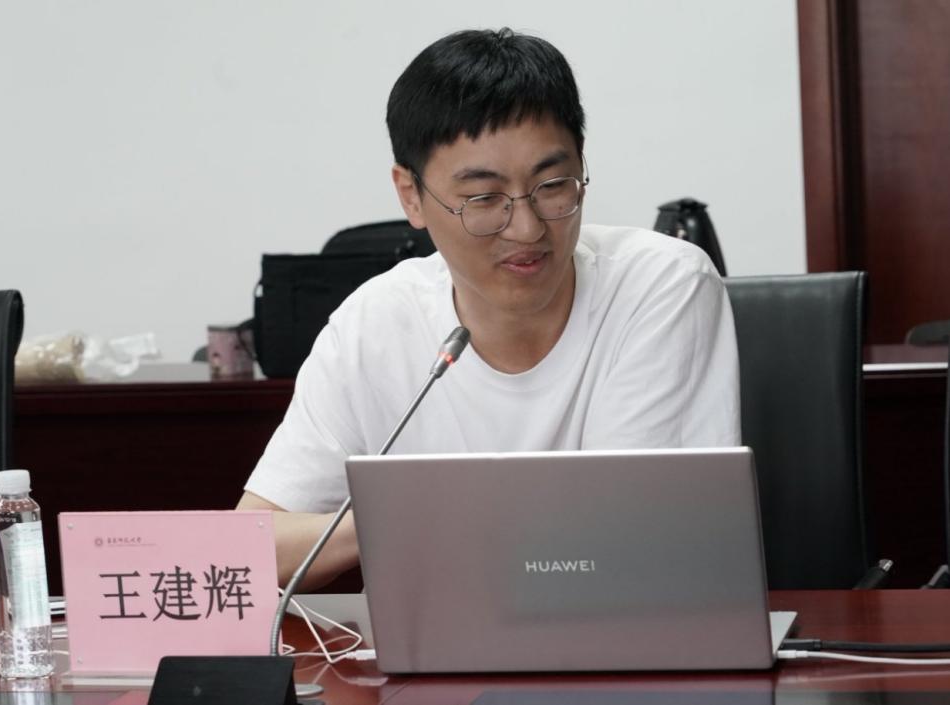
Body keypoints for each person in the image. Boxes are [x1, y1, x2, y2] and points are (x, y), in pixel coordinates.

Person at [237, 28, 740, 589]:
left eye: (553, 185)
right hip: (440, 640)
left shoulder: (660, 286)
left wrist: (441, 515)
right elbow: (250, 552)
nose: (527, 228)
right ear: (410, 195)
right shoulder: (374, 323)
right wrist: (393, 517)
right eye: (483, 198)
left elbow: (627, 541)